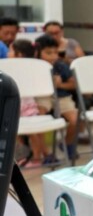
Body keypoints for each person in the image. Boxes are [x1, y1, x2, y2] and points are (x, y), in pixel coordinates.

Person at [10, 39, 59, 168]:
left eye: (10, 50)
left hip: (26, 104)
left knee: (33, 132)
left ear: (19, 54)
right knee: (18, 132)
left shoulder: (22, 67)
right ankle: (24, 155)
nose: (7, 52)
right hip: (16, 104)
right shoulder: (14, 65)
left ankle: (39, 156)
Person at [34, 34, 79, 161]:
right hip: (42, 95)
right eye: (48, 53)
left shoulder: (60, 65)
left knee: (75, 120)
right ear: (37, 53)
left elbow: (73, 84)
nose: (53, 56)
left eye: (55, 52)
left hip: (61, 96)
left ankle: (67, 144)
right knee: (39, 119)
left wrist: (61, 84)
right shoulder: (33, 67)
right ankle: (46, 153)